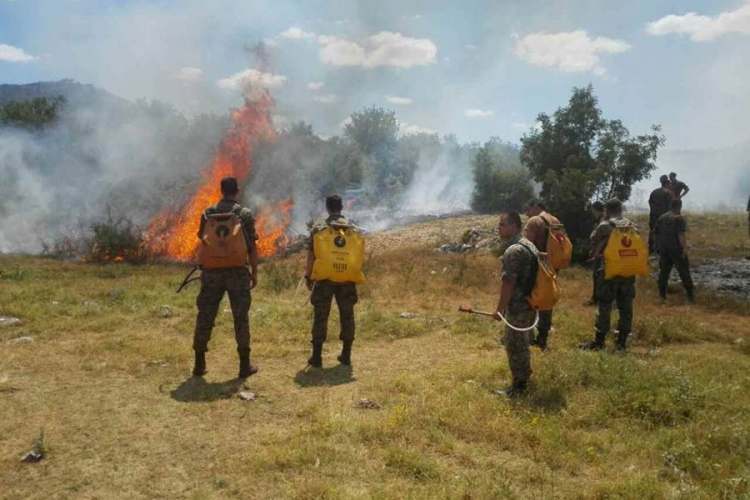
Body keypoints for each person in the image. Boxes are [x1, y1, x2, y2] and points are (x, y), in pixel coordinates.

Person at [192, 177, 259, 378]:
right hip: (237, 273)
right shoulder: (244, 214)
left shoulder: (207, 213)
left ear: (221, 190)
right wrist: (254, 272)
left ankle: (199, 364)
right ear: (237, 191)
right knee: (240, 317)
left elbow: (202, 239)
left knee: (205, 315)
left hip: (211, 272)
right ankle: (244, 366)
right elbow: (252, 246)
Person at [305, 195, 359, 367]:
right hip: (346, 277)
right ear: (342, 207)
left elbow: (311, 254)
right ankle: (346, 355)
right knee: (347, 315)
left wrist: (309, 276)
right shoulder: (352, 228)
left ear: (327, 208)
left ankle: (317, 357)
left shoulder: (319, 228)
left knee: (321, 315)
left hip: (325, 278)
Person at [581, 198, 636, 351]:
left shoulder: (605, 225)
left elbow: (592, 240)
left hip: (609, 270)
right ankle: (622, 341)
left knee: (604, 304)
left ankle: (599, 341)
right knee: (626, 306)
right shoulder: (631, 225)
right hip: (628, 270)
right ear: (621, 209)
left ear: (607, 210)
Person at [493, 212, 538, 396]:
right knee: (522, 343)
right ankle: (524, 377)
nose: (499, 228)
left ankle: (520, 387)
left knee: (514, 344)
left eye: (502, 224)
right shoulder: (530, 246)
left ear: (514, 226)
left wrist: (499, 309)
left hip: (518, 306)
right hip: (531, 303)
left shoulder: (513, 251)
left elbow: (508, 283)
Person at [522, 199, 560, 350]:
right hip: (550, 267)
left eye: (529, 209)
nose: (527, 212)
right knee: (546, 300)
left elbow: (525, 245)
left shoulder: (535, 221)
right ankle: (542, 338)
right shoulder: (555, 220)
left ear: (536, 206)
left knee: (527, 299)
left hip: (535, 266)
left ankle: (526, 336)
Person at [655, 199, 695, 304]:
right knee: (684, 272)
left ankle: (662, 295)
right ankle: (690, 296)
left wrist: (658, 246)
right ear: (679, 207)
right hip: (676, 249)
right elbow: (680, 235)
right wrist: (685, 249)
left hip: (664, 249)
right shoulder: (678, 219)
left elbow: (655, 233)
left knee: (664, 272)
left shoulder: (662, 218)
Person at [585, 201, 605, 306]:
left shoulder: (603, 221)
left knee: (598, 276)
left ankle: (596, 299)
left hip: (601, 253)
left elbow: (601, 239)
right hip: (601, 252)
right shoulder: (602, 220)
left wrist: (595, 251)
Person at [648, 175, 674, 253]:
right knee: (663, 232)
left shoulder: (654, 192)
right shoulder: (669, 193)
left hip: (653, 214)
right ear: (667, 184)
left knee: (653, 231)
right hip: (664, 216)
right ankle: (660, 249)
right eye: (669, 184)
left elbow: (650, 202)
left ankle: (651, 248)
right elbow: (670, 205)